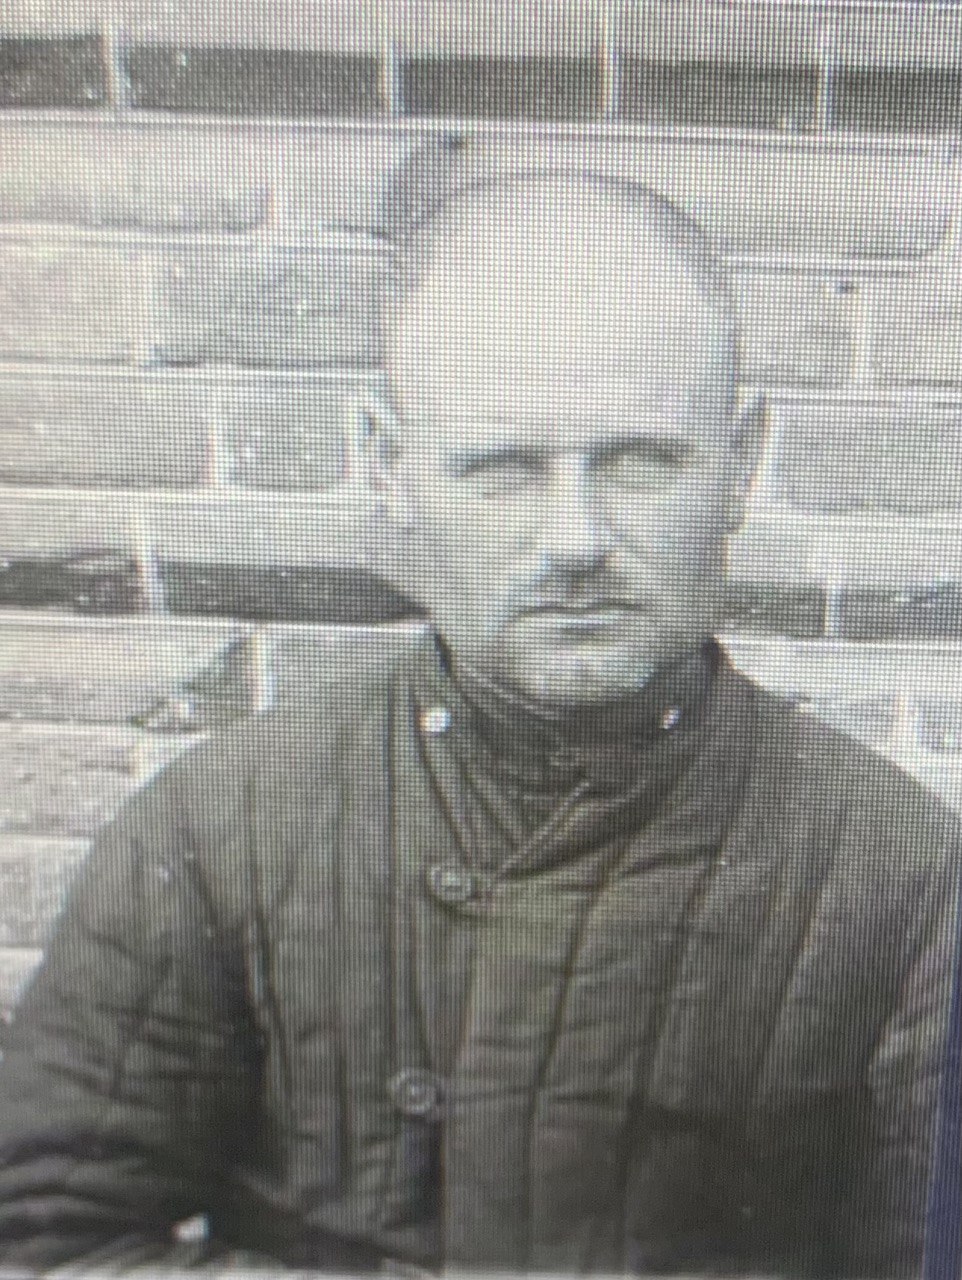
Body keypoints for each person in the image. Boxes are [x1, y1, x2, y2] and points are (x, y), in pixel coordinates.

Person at [0, 134, 958, 1278]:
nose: (575, 539)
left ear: (740, 461)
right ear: (389, 467)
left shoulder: (901, 878)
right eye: (501, 468)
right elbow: (43, 1240)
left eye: (640, 462)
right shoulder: (221, 825)